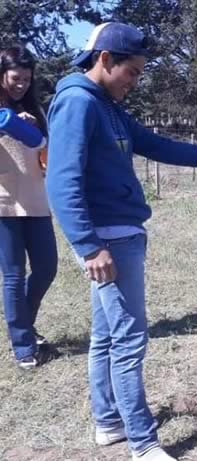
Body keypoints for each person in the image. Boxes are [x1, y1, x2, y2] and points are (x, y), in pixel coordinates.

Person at [46, 23, 197, 461]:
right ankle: (144, 443)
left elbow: (155, 144)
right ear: (105, 60)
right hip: (109, 241)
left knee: (106, 337)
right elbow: (61, 182)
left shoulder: (109, 107)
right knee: (130, 339)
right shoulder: (78, 103)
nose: (135, 82)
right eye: (132, 72)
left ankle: (108, 423)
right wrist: (88, 246)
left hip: (121, 235)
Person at [0, 45, 58, 370]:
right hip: (4, 202)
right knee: (12, 275)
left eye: (26, 78)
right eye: (14, 78)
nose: (20, 84)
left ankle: (24, 322)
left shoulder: (36, 109)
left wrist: (35, 131)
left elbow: (45, 151)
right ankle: (22, 346)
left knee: (47, 267)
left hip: (36, 199)